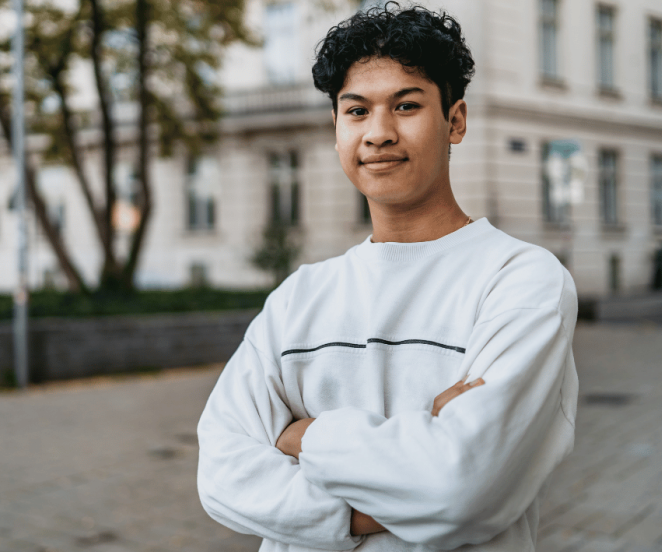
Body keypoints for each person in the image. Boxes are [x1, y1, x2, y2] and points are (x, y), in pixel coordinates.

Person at [196, 5, 578, 551]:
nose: (378, 133)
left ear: (456, 121)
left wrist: (300, 437)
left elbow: (461, 486)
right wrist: (417, 452)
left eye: (405, 105)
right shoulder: (298, 296)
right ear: (336, 130)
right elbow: (222, 477)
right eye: (356, 111)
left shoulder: (521, 280)